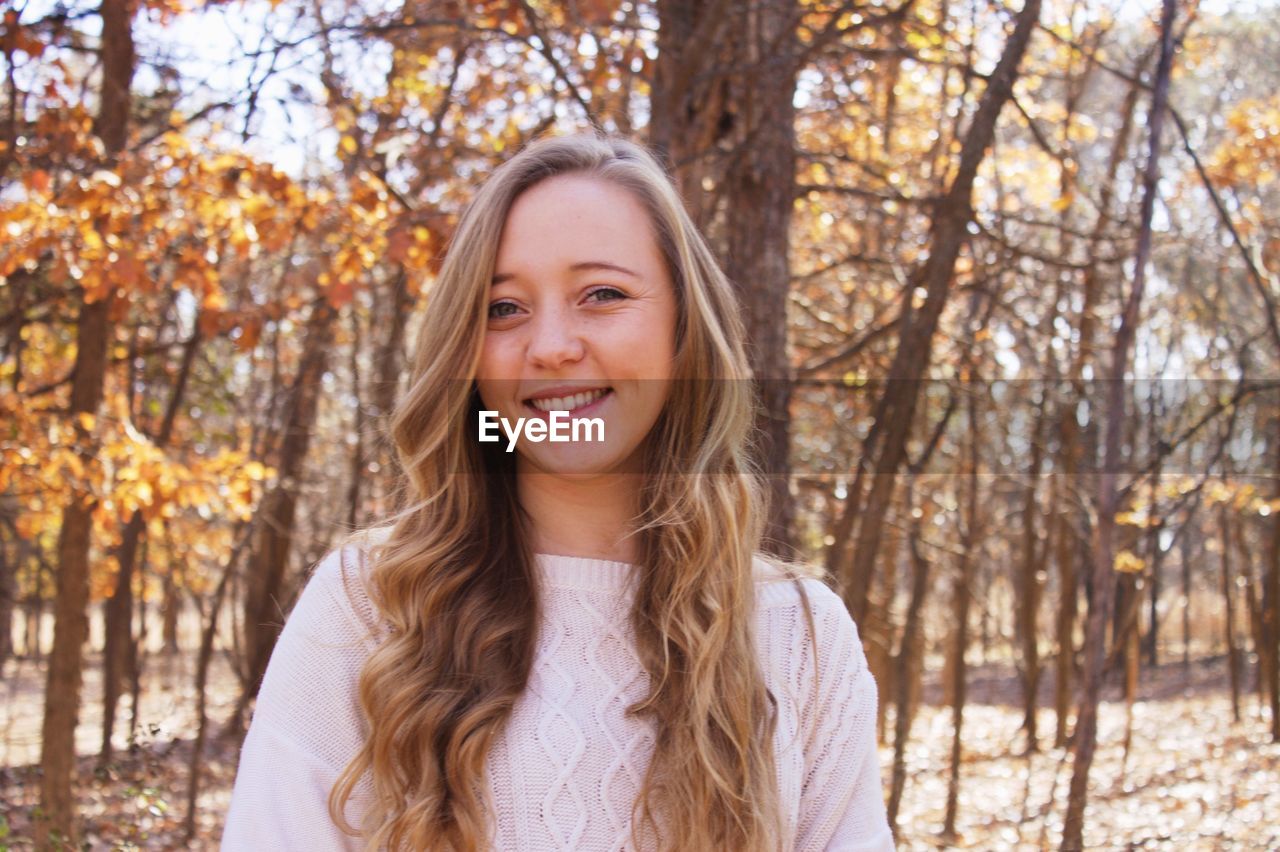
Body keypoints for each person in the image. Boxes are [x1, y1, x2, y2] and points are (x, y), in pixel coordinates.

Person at [220, 131, 894, 851]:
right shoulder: (370, 607)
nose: (549, 347)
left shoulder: (800, 637)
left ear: (684, 330)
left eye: (602, 295)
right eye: (504, 309)